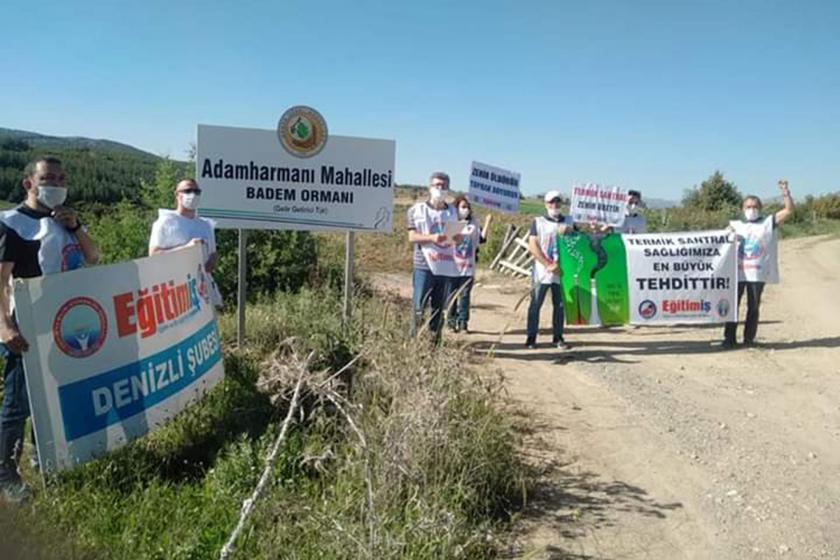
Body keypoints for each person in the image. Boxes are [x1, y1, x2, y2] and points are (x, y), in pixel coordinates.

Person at [0, 156, 99, 503]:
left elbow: (93, 258)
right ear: (30, 183)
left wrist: (76, 227)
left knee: (54, 397)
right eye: (47, 178)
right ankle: (6, 474)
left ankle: (44, 458)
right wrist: (4, 327)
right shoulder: (13, 224)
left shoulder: (64, 221)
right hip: (25, 328)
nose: (55, 184)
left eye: (60, 178)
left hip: (64, 325)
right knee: (18, 404)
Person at [723, 180, 795, 348]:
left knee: (753, 307)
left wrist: (785, 192)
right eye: (748, 206)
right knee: (733, 306)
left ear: (760, 208)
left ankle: (749, 339)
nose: (751, 209)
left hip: (757, 273)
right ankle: (729, 338)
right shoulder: (735, 225)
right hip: (737, 273)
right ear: (742, 209)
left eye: (754, 206)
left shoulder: (768, 222)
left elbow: (789, 210)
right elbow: (719, 241)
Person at [149, 179, 222, 307]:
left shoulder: (206, 225)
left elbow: (213, 254)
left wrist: (212, 260)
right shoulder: (165, 222)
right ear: (177, 194)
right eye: (188, 191)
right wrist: (187, 248)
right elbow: (154, 255)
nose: (192, 195)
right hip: (176, 293)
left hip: (203, 294)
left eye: (196, 191)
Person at [407, 172, 460, 342]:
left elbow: (456, 237)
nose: (440, 188)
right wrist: (431, 238)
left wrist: (458, 237)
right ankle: (414, 340)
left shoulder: (453, 211)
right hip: (424, 265)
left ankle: (434, 342)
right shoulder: (417, 210)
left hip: (444, 265)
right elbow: (412, 237)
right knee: (419, 306)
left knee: (439, 308)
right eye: (436, 185)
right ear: (430, 187)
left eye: (443, 186)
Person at [526, 190, 572, 349]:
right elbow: (533, 245)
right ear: (546, 204)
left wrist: (571, 232)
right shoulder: (538, 222)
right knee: (536, 303)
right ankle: (531, 337)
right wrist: (547, 264)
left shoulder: (569, 221)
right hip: (542, 271)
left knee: (559, 306)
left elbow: (578, 243)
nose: (555, 205)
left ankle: (558, 337)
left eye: (558, 201)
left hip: (562, 272)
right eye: (551, 202)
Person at [446, 195, 490, 333]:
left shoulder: (474, 223)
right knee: (451, 295)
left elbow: (481, 239)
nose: (465, 210)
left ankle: (463, 322)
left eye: (467, 207)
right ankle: (451, 322)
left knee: (464, 296)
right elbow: (446, 243)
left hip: (468, 267)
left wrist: (488, 222)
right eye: (462, 207)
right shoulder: (452, 222)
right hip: (452, 267)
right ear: (456, 208)